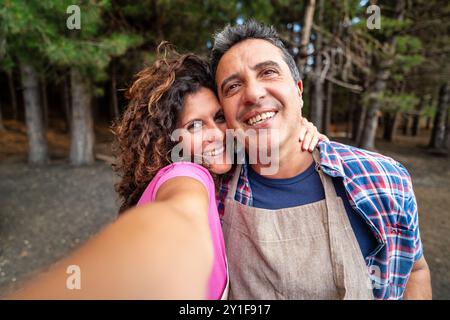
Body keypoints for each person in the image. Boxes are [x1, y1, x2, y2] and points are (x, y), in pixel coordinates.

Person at [5, 43, 324, 299]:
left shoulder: (227, 172)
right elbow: (178, 218)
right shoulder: (186, 175)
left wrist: (299, 130)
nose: (216, 133)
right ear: (166, 140)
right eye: (195, 125)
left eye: (219, 117)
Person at [210, 20, 432, 300]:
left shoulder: (384, 179)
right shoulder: (212, 193)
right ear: (224, 117)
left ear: (299, 92)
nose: (253, 94)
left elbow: (415, 270)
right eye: (232, 87)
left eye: (268, 72)